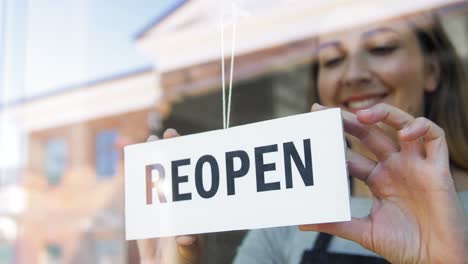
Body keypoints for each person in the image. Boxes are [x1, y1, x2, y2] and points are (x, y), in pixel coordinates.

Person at [137, 11, 468, 264]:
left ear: (433, 70)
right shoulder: (289, 214)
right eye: (332, 59)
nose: (352, 74)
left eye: (381, 47)